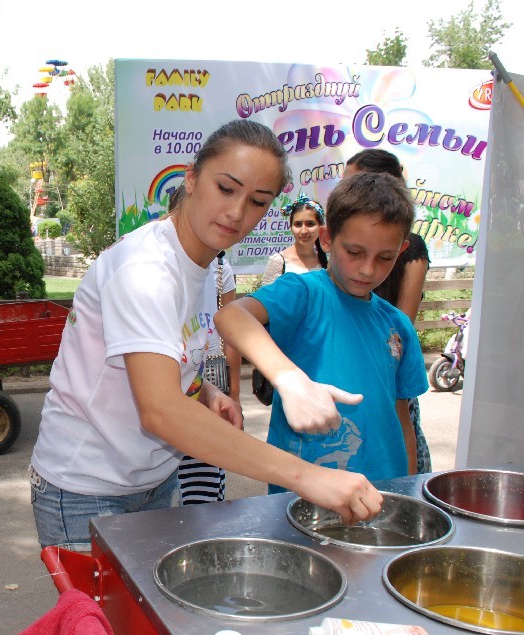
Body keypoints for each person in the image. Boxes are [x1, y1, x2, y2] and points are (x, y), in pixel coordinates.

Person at [28, 119, 384, 551]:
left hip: (153, 480)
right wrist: (307, 476)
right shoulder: (145, 270)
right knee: (101, 621)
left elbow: (169, 365)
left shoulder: (206, 265)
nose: (237, 213)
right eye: (226, 188)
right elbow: (160, 411)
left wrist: (205, 393)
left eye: (257, 201)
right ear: (192, 179)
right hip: (84, 486)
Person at [216, 171, 429, 493]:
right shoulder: (303, 293)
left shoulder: (398, 326)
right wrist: (289, 378)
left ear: (400, 251)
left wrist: (409, 490)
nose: (368, 269)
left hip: (385, 493)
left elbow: (403, 420)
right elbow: (231, 315)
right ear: (327, 239)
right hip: (305, 493)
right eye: (355, 252)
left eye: (384, 257)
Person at [344, 149, 432, 473]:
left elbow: (403, 322)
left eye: (351, 180)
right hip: (352, 357)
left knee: (399, 435)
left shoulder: (413, 249)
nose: (367, 269)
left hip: (388, 363)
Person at [166, 184, 242, 505]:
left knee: (203, 487)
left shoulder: (220, 269)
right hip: (172, 395)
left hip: (206, 380)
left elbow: (233, 329)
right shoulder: (158, 273)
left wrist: (229, 392)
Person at [261, 193, 327, 286]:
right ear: (291, 227)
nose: (304, 231)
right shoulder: (279, 262)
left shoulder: (327, 262)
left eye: (310, 224)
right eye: (298, 224)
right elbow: (266, 299)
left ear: (321, 227)